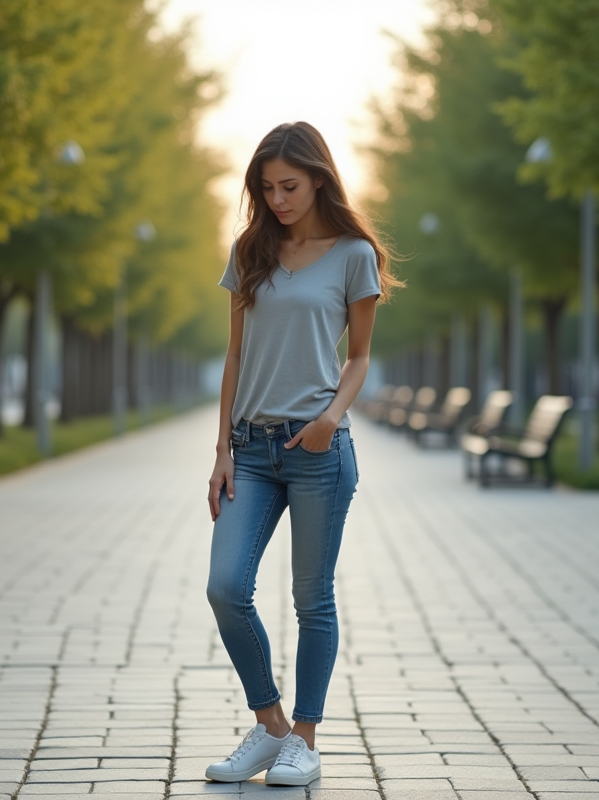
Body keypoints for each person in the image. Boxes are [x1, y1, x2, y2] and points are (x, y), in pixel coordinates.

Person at [204, 121, 401, 786]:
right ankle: (271, 727)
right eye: (266, 187)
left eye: (288, 185)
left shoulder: (353, 254)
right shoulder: (250, 250)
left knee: (311, 599)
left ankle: (305, 742)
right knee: (226, 587)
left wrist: (330, 418)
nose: (278, 198)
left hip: (320, 448)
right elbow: (234, 356)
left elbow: (361, 356)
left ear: (319, 177)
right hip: (254, 449)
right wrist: (223, 449)